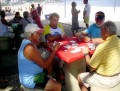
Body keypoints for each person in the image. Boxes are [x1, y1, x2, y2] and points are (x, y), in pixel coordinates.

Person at [77, 21, 120, 91]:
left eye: (101, 30)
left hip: (105, 80)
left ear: (105, 31)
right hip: (117, 76)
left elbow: (91, 68)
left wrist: (86, 53)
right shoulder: (118, 40)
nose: (100, 33)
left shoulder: (101, 47)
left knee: (80, 77)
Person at [18, 24, 61, 91]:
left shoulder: (27, 42)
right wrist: (54, 50)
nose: (40, 35)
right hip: (31, 79)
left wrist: (48, 44)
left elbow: (40, 43)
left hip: (34, 74)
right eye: (38, 34)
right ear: (32, 35)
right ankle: (50, 77)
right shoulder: (29, 48)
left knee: (49, 59)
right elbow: (44, 65)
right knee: (57, 86)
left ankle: (49, 76)